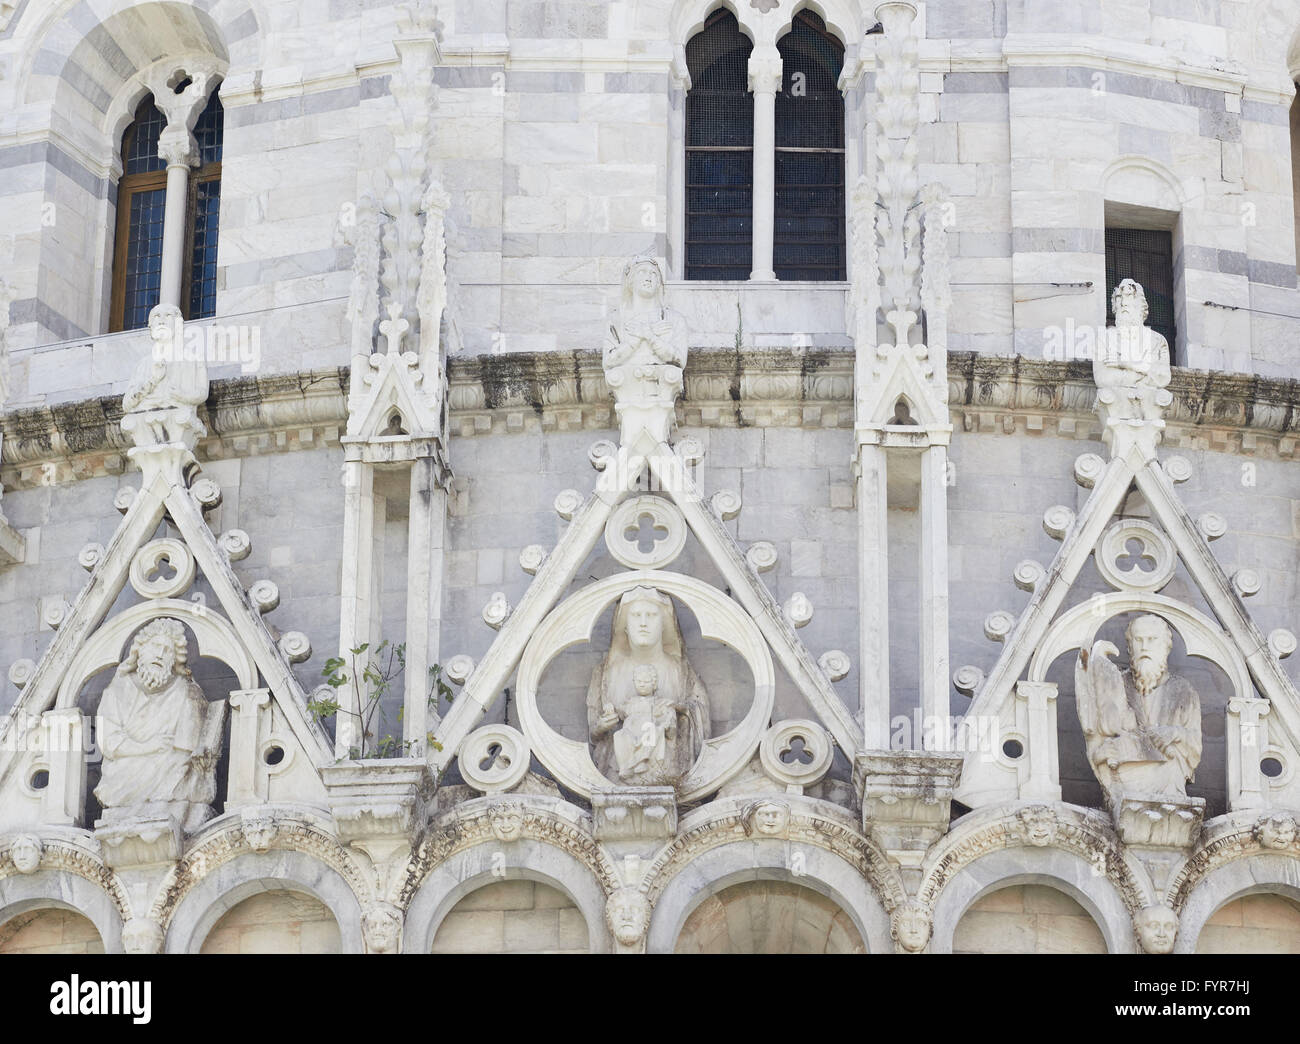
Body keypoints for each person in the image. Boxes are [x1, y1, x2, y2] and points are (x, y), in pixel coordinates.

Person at [587, 586, 709, 787]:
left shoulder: (681, 670)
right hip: (616, 772)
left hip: (665, 768)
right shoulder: (606, 672)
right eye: (635, 615)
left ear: (664, 625)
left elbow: (699, 715)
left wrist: (677, 709)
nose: (643, 623)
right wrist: (601, 726)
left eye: (651, 615)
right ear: (625, 625)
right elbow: (594, 734)